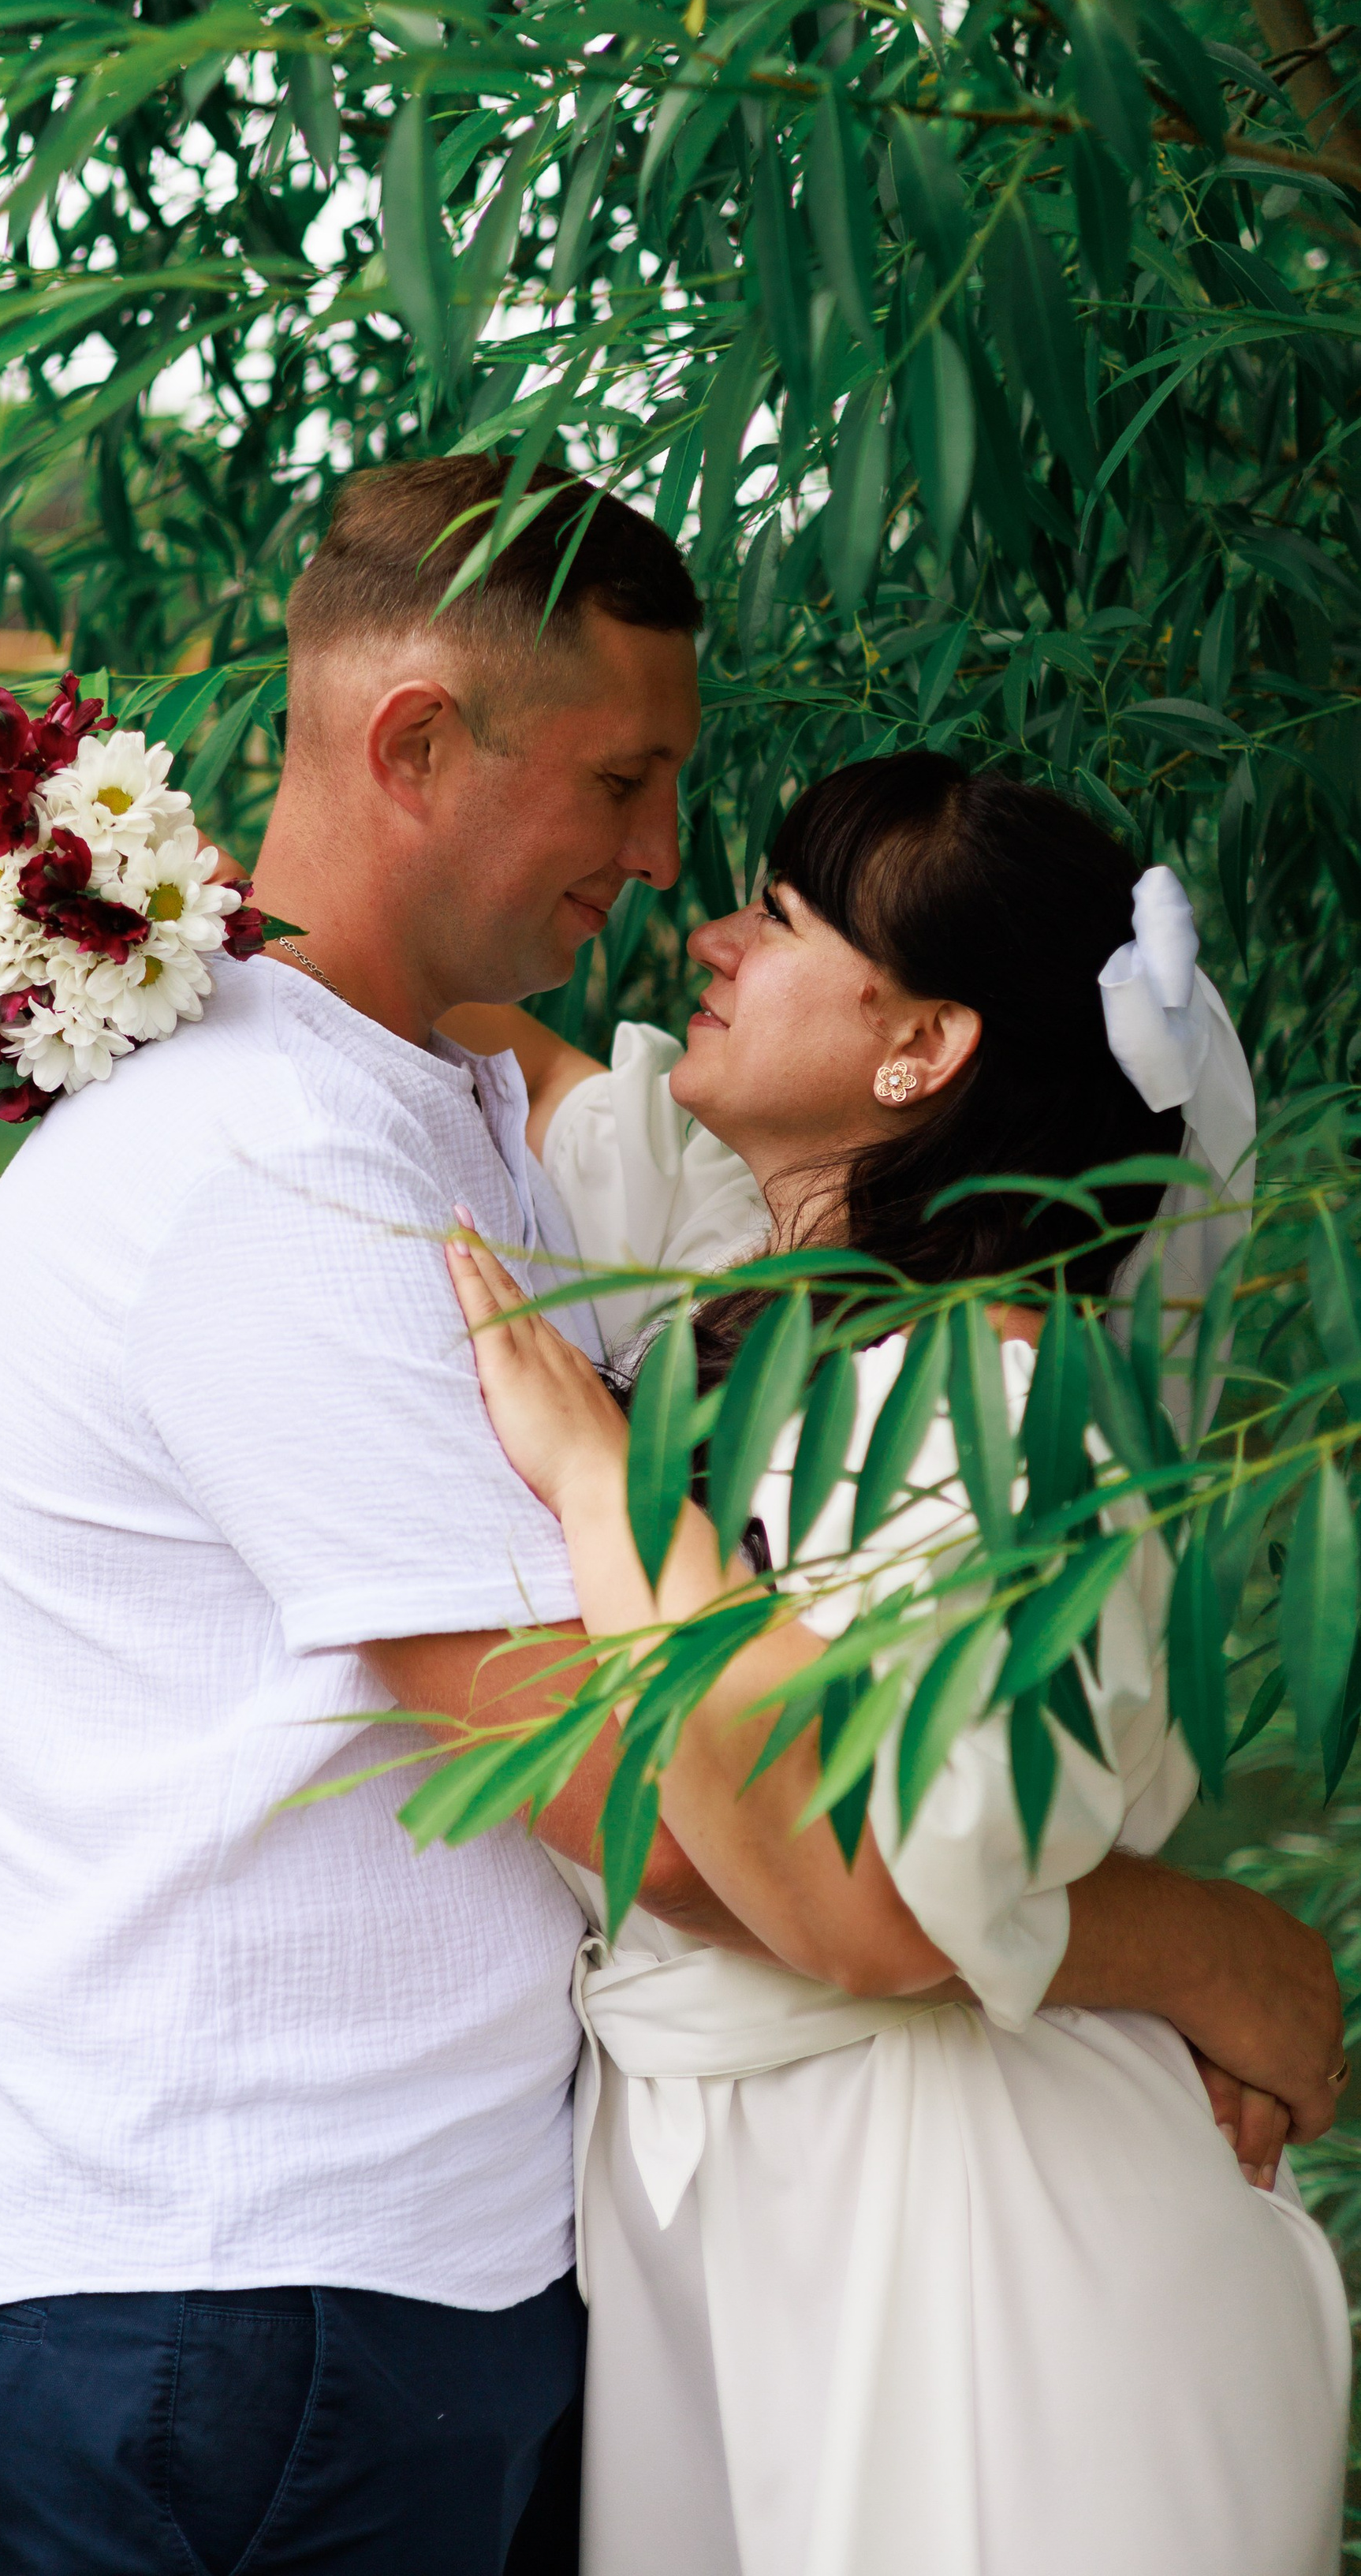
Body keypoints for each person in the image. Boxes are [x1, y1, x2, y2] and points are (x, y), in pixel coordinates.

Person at [0, 457, 1343, 2576]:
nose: (673, 871)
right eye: (631, 782)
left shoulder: (464, 1136)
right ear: (419, 744)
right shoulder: (287, 1174)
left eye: (752, 881)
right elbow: (730, 1845)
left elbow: (519, 1058)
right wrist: (1205, 1943)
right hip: (278, 2289)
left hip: (522, 2257)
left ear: (927, 1047)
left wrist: (184, 912)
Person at [445, 753, 1351, 2576]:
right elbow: (456, 1020)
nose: (705, 936)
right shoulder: (758, 1291)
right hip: (729, 2187)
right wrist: (111, 906)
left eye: (776, 918)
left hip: (965, 2212)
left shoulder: (1014, 1423)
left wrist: (602, 1485)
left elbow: (870, 1906)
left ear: (920, 1050)